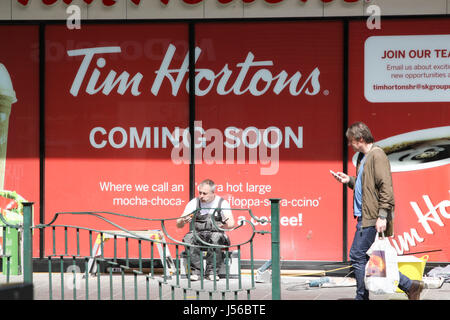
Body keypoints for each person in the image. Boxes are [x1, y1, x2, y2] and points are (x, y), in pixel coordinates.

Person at [331, 122, 424, 300]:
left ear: (360, 138)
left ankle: (362, 297)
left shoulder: (377, 155)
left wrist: (382, 216)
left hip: (372, 217)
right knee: (366, 256)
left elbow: (386, 188)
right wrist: (348, 180)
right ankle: (410, 285)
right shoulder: (363, 157)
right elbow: (365, 187)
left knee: (357, 255)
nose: (350, 145)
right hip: (364, 215)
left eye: (351, 141)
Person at [177, 179, 235, 281]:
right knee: (188, 238)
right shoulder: (194, 202)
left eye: (205, 193)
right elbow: (178, 224)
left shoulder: (222, 203)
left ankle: (212, 272)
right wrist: (183, 220)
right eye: (200, 193)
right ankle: (196, 272)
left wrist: (222, 225)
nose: (201, 196)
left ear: (213, 193)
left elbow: (231, 224)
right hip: (199, 233)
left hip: (216, 233)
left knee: (216, 237)